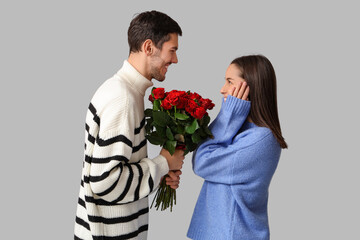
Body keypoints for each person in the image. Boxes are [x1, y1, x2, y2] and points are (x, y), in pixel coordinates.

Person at [74, 10, 184, 240]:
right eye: (172, 50)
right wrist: (163, 163)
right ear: (148, 47)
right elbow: (104, 182)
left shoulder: (122, 90)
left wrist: (158, 175)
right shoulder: (123, 100)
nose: (175, 59)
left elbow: (113, 170)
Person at [187, 55, 288, 240]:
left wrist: (229, 114)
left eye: (229, 81)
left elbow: (201, 162)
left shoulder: (262, 139)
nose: (222, 89)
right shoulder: (236, 129)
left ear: (249, 87)